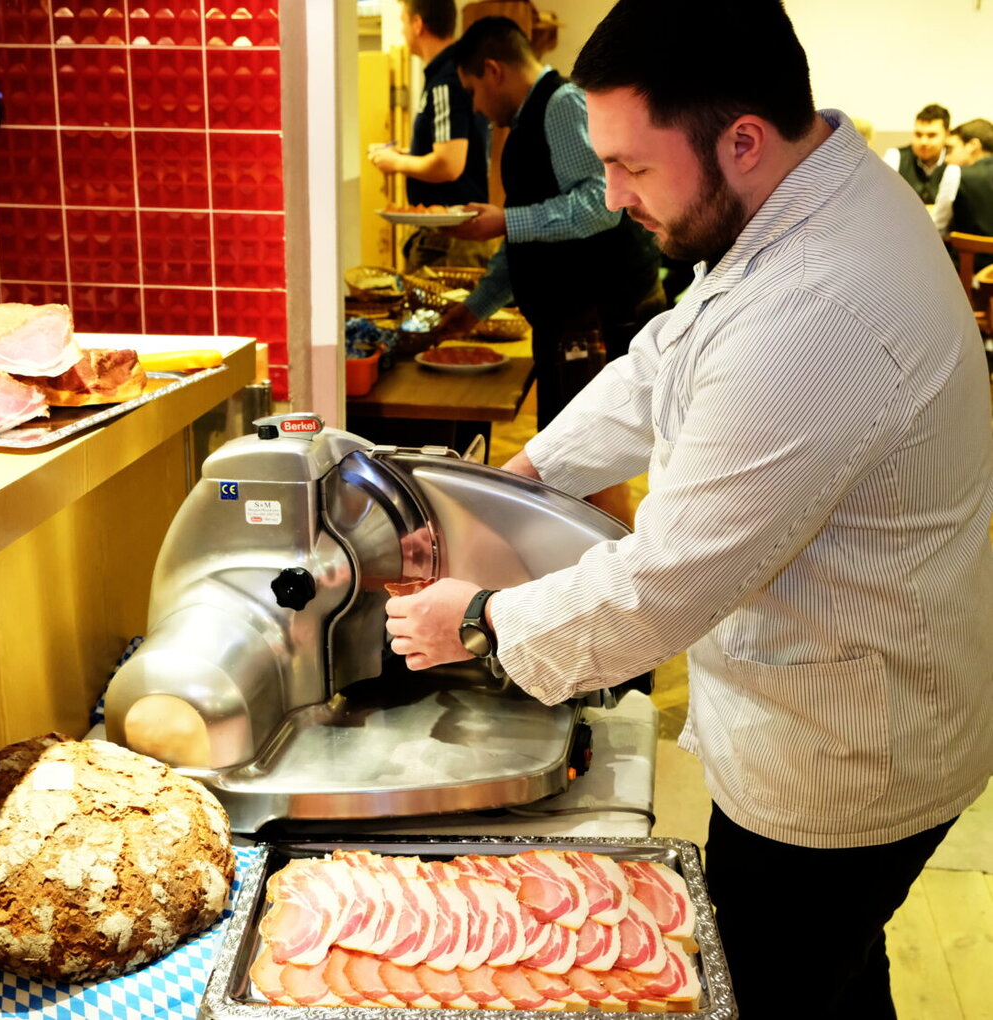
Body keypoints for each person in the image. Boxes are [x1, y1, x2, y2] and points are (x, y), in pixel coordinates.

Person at [385, 1, 993, 1018]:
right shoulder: (805, 191)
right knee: (838, 976)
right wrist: (518, 479)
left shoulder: (818, 309)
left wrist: (479, 622)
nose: (612, 194)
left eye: (630, 167)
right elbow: (664, 361)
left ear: (740, 139)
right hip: (861, 702)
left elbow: (662, 583)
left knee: (767, 986)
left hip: (846, 761)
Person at [437, 16, 665, 429]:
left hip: (599, 314)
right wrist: (476, 308)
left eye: (472, 92)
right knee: (570, 454)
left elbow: (601, 205)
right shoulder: (530, 117)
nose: (475, 107)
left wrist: (504, 221)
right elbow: (529, 239)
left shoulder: (560, 103)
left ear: (493, 70)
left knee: (590, 458)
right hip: (569, 320)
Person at [368, 0, 494, 271]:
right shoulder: (451, 72)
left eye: (403, 21)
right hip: (450, 236)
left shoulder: (446, 78)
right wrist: (401, 154)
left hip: (450, 240)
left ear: (417, 24)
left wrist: (396, 163)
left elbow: (449, 164)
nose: (402, 30)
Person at [885, 103, 959, 235]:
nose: (924, 142)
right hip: (900, 236)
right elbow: (886, 205)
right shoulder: (895, 156)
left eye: (931, 135)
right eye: (918, 135)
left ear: (947, 135)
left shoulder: (956, 163)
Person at [946, 119, 993, 270]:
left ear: (973, 145)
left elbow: (938, 228)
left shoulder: (956, 173)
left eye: (951, 149)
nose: (947, 158)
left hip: (970, 271)